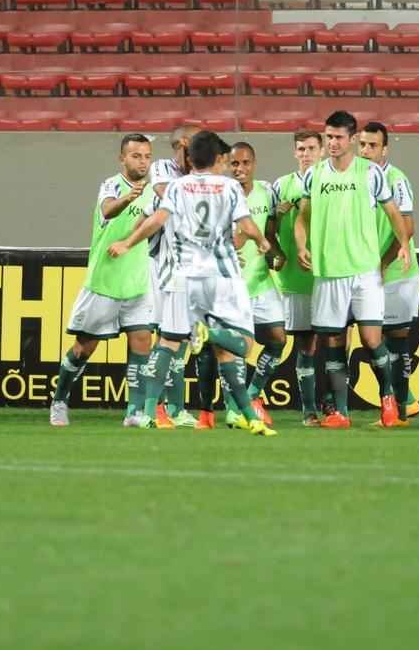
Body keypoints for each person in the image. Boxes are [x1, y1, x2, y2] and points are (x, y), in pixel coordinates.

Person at [109, 130, 277, 437]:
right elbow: (246, 224)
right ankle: (211, 338)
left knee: (169, 342)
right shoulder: (229, 187)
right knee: (240, 344)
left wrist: (127, 242)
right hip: (221, 276)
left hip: (183, 276)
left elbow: (156, 220)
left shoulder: (176, 187)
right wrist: (263, 240)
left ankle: (149, 413)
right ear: (217, 158)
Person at [295, 110, 412, 429]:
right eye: (328, 137)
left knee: (372, 338)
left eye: (338, 138)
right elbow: (302, 218)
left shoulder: (371, 173)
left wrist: (402, 242)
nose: (332, 143)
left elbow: (393, 212)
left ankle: (389, 402)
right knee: (333, 341)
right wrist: (302, 244)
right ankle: (341, 413)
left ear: (351, 139)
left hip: (364, 270)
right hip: (329, 271)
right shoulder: (314, 175)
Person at [51, 133, 157, 428]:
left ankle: (134, 412)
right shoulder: (112, 185)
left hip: (137, 281)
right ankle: (60, 400)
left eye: (147, 156)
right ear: (122, 158)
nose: (143, 162)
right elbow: (107, 210)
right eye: (136, 156)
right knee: (84, 347)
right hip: (105, 281)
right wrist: (128, 197)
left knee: (142, 341)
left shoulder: (155, 190)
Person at [357, 121, 419, 423]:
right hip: (367, 273)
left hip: (396, 273)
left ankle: (402, 405)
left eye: (373, 145)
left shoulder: (396, 180)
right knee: (371, 339)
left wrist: (383, 263)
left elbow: (407, 228)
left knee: (395, 338)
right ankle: (403, 400)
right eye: (363, 144)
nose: (366, 150)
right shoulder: (357, 178)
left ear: (385, 149)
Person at [145, 125, 201, 429]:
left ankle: (176, 408)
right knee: (168, 339)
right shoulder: (163, 168)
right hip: (166, 266)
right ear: (182, 143)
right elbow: (169, 196)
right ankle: (151, 409)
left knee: (178, 341)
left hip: (190, 268)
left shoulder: (196, 174)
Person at [228, 142, 286, 427]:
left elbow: (270, 232)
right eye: (234, 164)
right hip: (233, 286)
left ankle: (251, 395)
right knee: (239, 348)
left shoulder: (266, 191)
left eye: (245, 163)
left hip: (261, 281)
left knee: (278, 339)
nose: (240, 169)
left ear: (254, 163)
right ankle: (234, 408)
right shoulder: (222, 195)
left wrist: (277, 255)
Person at [272, 130, 324, 426]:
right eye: (301, 149)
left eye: (311, 148)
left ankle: (332, 407)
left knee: (332, 341)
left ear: (322, 151)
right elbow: (269, 230)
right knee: (302, 343)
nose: (306, 153)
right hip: (294, 276)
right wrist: (278, 215)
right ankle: (308, 411)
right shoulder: (282, 185)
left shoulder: (330, 184)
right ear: (295, 153)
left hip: (328, 274)